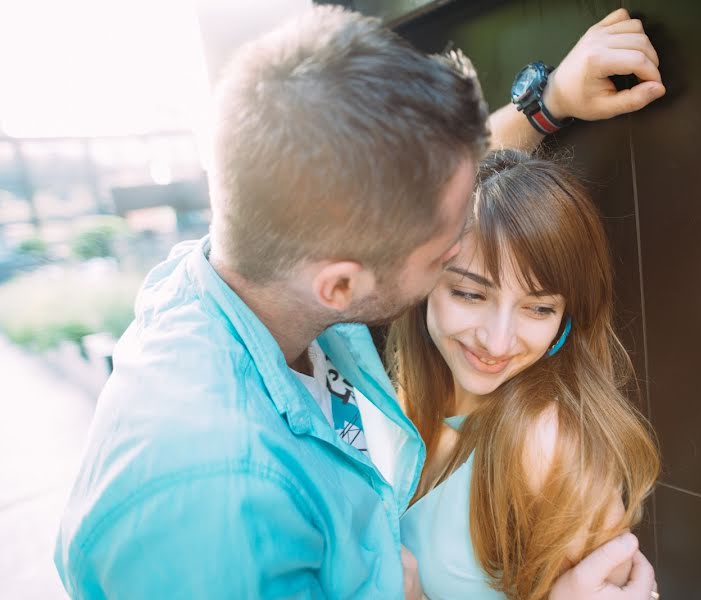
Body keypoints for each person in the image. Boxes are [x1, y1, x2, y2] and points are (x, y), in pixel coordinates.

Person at [54, 5, 665, 599]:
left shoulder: (256, 272)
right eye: (450, 268)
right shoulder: (226, 512)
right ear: (343, 285)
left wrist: (546, 104)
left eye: (537, 306)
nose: (498, 336)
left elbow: (463, 205)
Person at [390, 149, 660, 600]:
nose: (497, 342)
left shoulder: (546, 441)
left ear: (566, 318)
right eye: (470, 294)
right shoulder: (402, 406)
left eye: (538, 308)